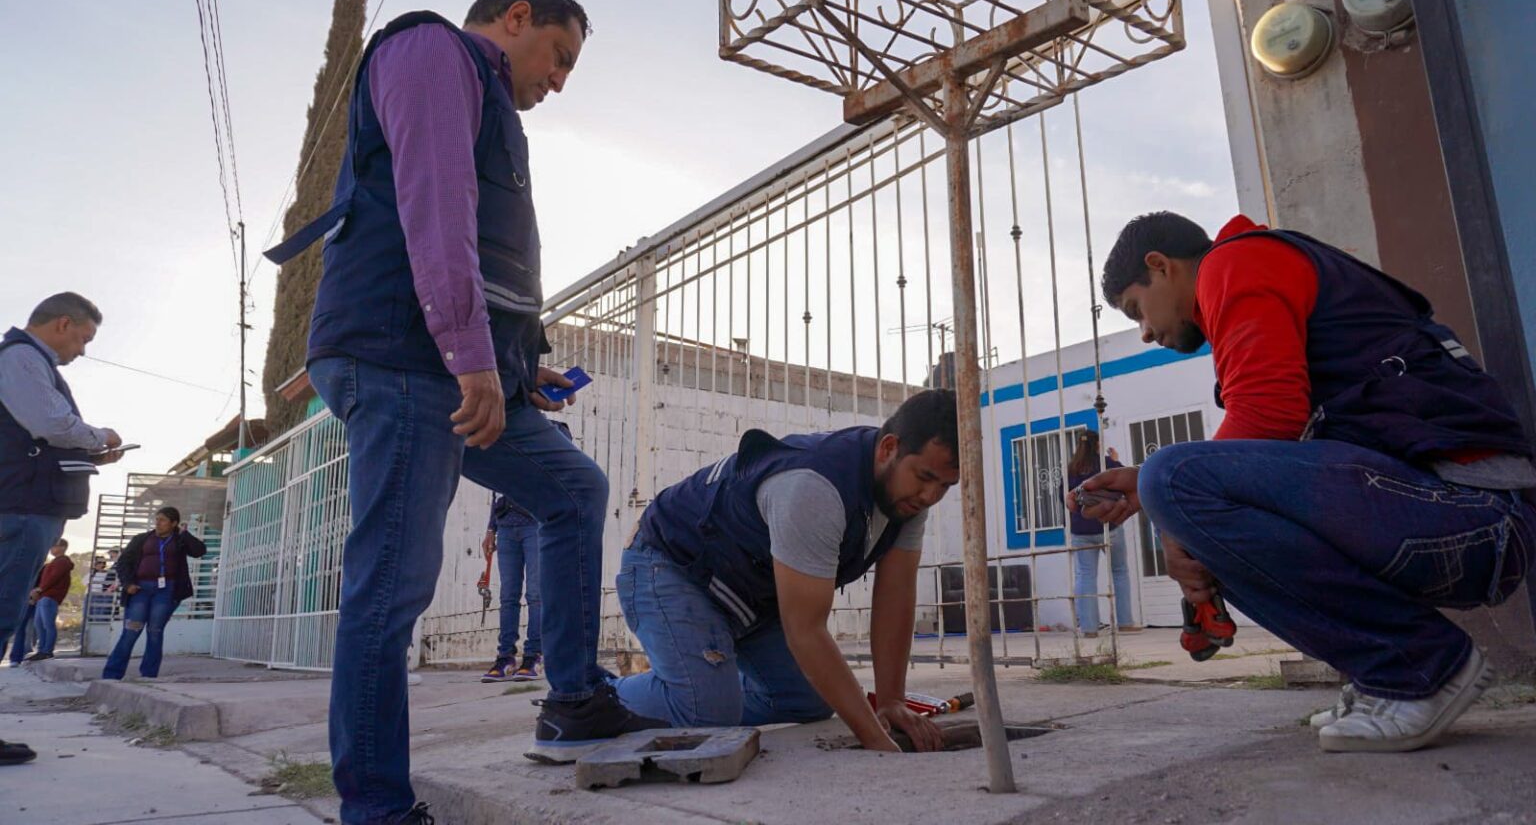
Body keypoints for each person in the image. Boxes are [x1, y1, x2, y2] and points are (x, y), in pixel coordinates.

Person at [263, 0, 660, 822]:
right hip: (403, 358)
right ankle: (375, 806)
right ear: (516, 19)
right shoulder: (431, 50)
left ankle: (577, 701)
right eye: (558, 57)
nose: (558, 82)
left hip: (456, 367)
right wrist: (471, 357)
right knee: (393, 585)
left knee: (575, 489)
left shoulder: (492, 106)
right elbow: (433, 209)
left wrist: (517, 368)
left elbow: (485, 255)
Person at [1074, 211, 1535, 753]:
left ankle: (1423, 668)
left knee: (1173, 476)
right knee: (1179, 492)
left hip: (1475, 513)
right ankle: (1386, 673)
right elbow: (1272, 455)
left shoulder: (1235, 260)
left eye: (1137, 310)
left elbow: (1269, 414)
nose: (1146, 332)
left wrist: (1168, 509)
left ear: (1161, 266)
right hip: (1460, 520)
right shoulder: (1256, 271)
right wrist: (1154, 494)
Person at [613, 389, 960, 754]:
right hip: (670, 567)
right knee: (706, 712)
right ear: (889, 448)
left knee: (809, 699)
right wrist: (876, 739)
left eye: (945, 486)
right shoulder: (816, 489)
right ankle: (599, 696)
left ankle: (708, 693)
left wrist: (892, 702)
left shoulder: (905, 499)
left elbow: (895, 600)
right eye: (924, 477)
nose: (929, 496)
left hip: (748, 597)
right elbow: (805, 630)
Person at [0, 292, 124, 766]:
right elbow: (49, 423)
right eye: (83, 338)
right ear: (63, 324)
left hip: (27, 505)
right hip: (20, 508)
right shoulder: (22, 358)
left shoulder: (28, 362)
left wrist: (90, 452)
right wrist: (100, 436)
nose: (83, 350)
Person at [101, 507, 207, 680]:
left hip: (166, 591)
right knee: (131, 630)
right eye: (157, 519)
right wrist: (127, 584)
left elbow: (199, 551)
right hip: (140, 590)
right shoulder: (142, 539)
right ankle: (112, 675)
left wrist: (185, 534)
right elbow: (123, 563)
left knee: (155, 630)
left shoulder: (179, 540)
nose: (158, 523)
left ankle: (148, 675)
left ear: (173, 523)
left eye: (163, 520)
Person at [1065, 431, 1133, 635]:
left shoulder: (1070, 470)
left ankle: (1089, 628)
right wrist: (1116, 460)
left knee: (1086, 576)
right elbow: (1126, 480)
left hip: (1081, 529)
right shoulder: (1106, 464)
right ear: (1097, 445)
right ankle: (1125, 623)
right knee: (1119, 572)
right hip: (1108, 525)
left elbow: (1065, 499)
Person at [480, 495, 543, 682]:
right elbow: (496, 492)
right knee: (508, 596)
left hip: (534, 525)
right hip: (505, 527)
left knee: (535, 594)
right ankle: (505, 657)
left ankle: (534, 656)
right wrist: (491, 529)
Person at [24, 538, 74, 660]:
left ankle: (47, 650)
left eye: (54, 546)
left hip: (50, 596)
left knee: (48, 624)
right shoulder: (54, 562)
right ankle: (41, 650)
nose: (51, 549)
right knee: (39, 624)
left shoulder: (62, 562)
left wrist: (40, 589)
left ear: (62, 547)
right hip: (43, 596)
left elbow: (53, 578)